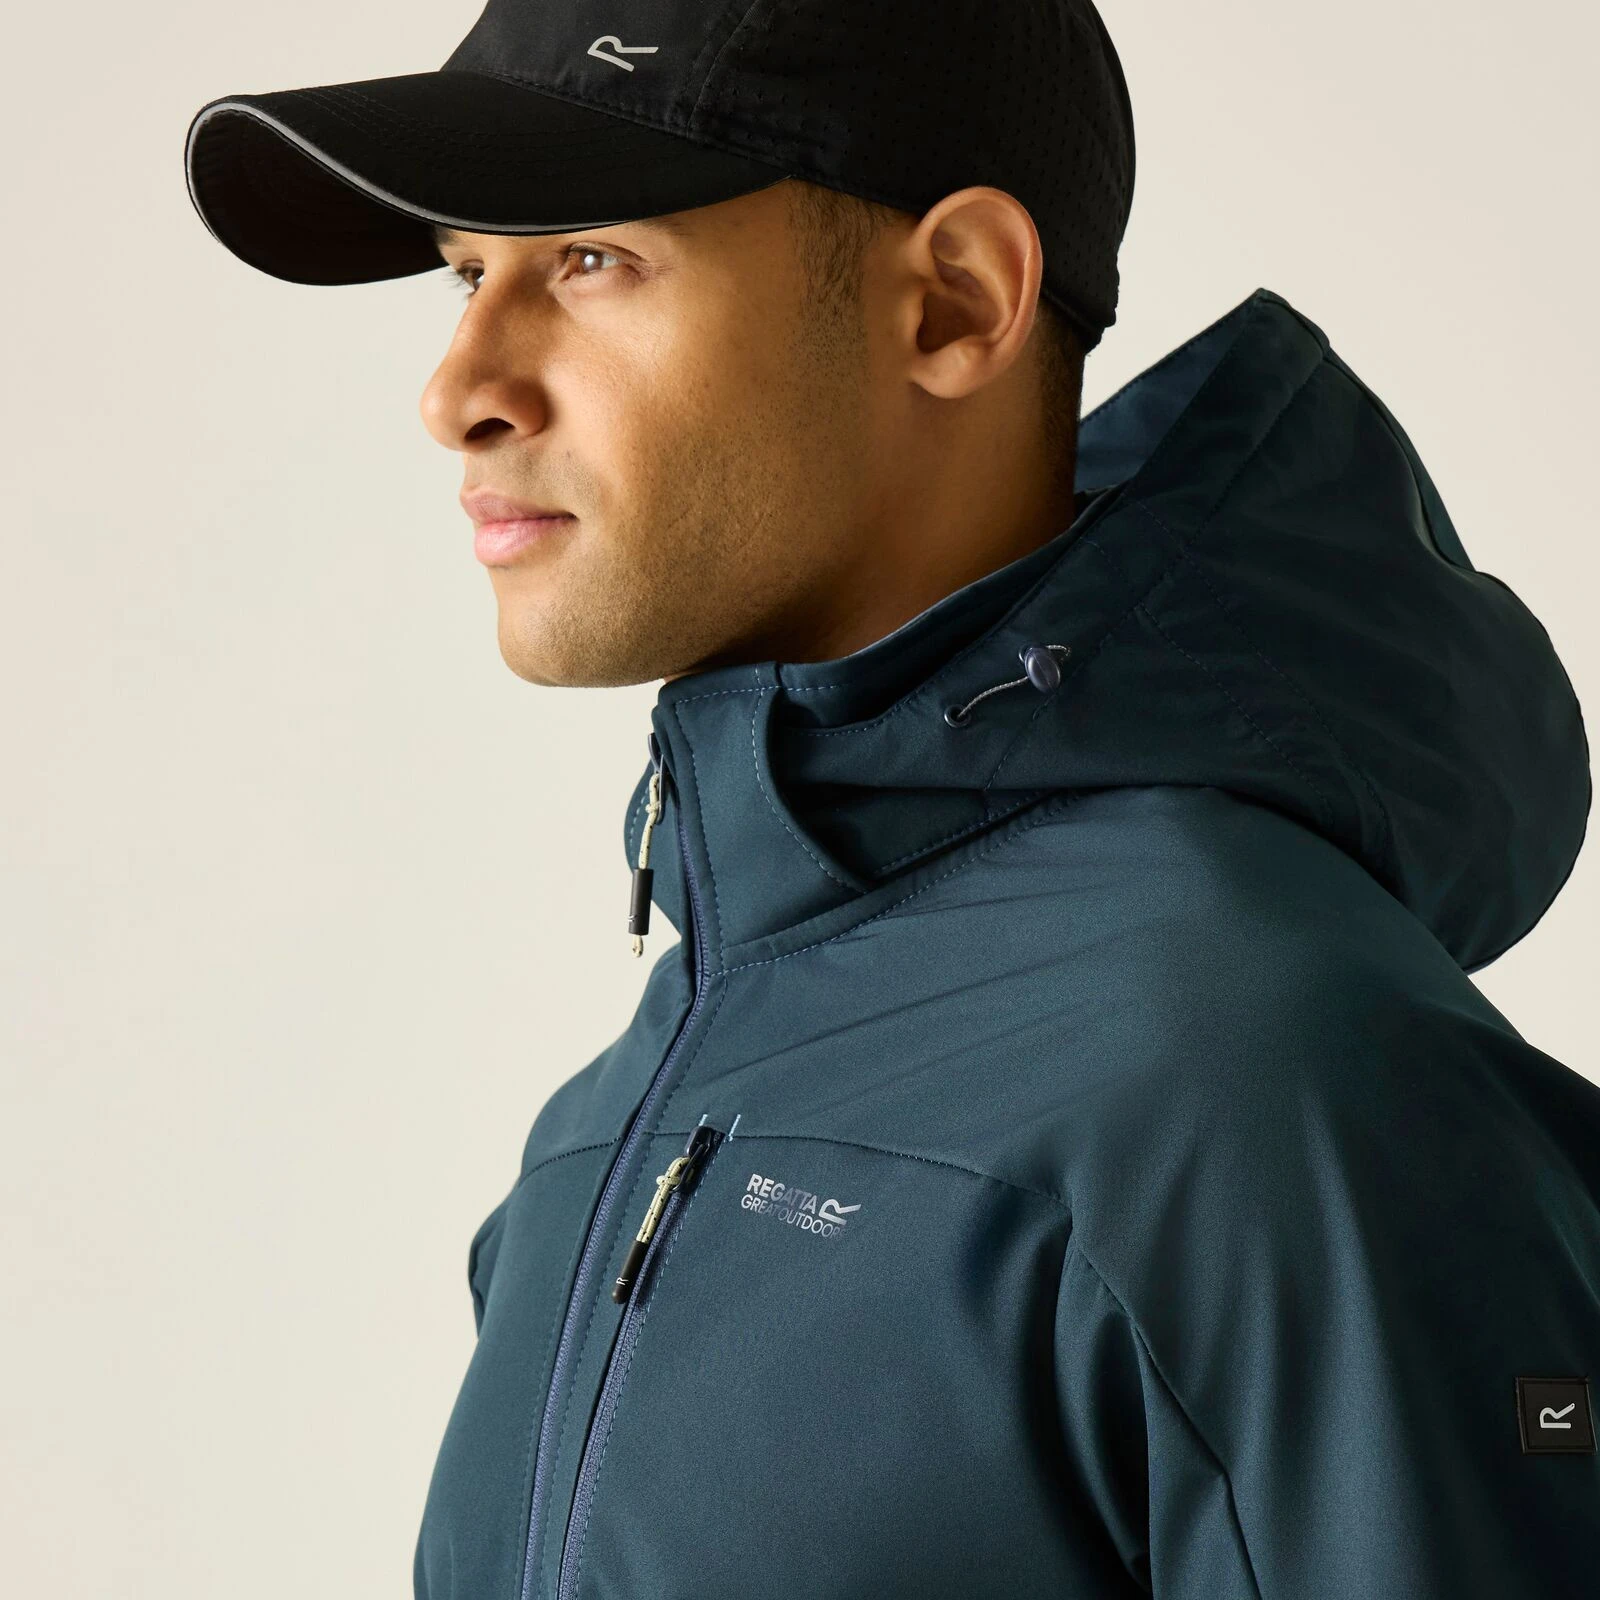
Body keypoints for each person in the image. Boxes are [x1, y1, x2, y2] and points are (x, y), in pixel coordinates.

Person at [183, 2, 1600, 1595]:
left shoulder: (1263, 1089)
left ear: (953, 301)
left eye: (589, 260)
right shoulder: (599, 1137)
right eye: (466, 275)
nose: (461, 390)